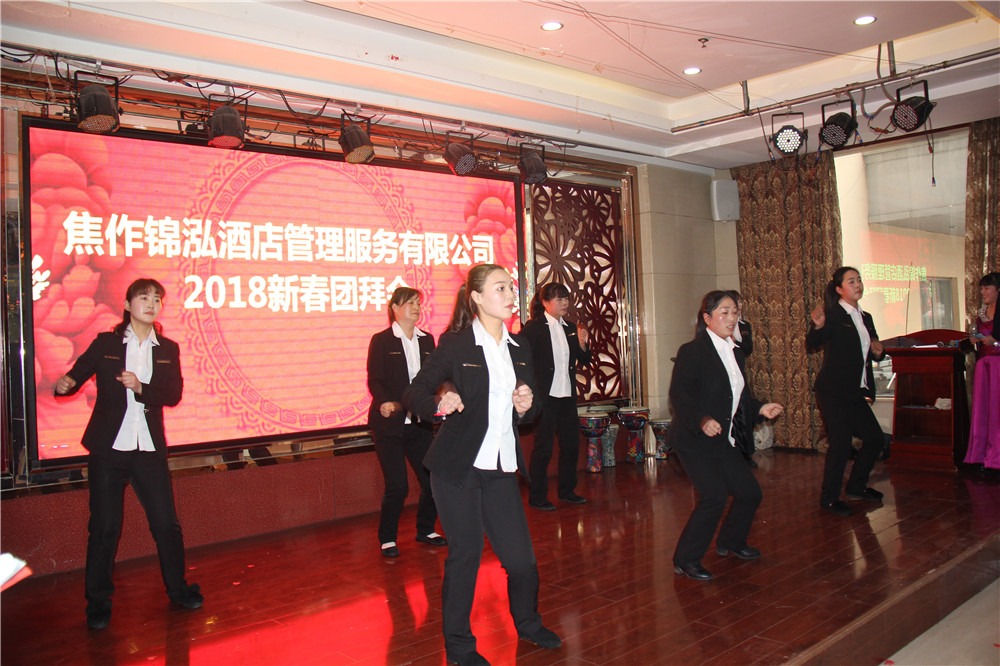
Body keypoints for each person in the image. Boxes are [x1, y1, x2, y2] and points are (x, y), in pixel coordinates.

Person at [402, 264, 560, 666]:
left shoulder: (519, 347)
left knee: (521, 561)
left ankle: (528, 623)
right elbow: (416, 391)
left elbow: (531, 407)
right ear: (475, 297)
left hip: (501, 467)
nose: (509, 295)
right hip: (457, 467)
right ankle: (459, 647)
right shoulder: (456, 344)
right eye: (499, 288)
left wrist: (527, 406)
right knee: (466, 555)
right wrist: (438, 404)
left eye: (511, 287)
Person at [54, 278, 202, 630]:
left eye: (157, 299)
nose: (151, 304)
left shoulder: (168, 348)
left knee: (166, 525)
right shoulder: (106, 343)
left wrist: (141, 387)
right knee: (104, 527)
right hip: (109, 450)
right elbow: (77, 374)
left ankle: (178, 589)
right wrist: (65, 385)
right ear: (126, 305)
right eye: (144, 298)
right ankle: (98, 602)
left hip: (148, 450)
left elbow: (173, 395)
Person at [667, 291, 783, 581]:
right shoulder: (693, 351)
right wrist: (703, 420)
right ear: (707, 318)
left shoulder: (736, 351)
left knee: (749, 493)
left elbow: (738, 397)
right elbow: (680, 395)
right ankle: (686, 559)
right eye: (724, 313)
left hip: (723, 439)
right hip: (693, 439)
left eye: (735, 312)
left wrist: (760, 408)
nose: (732, 318)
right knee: (714, 497)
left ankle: (731, 541)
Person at [366, 287, 446, 559]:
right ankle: (387, 538)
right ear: (395, 308)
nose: (416, 307)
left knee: (433, 478)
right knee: (398, 485)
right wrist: (385, 401)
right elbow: (375, 380)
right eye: (409, 303)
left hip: (419, 422)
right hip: (389, 424)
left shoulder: (427, 340)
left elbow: (434, 378)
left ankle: (426, 529)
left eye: (417, 303)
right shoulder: (382, 340)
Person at [807, 266, 887, 517]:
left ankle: (856, 486)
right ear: (839, 289)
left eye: (859, 280)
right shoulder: (832, 315)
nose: (858, 284)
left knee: (875, 439)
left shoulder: (866, 317)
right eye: (851, 281)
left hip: (855, 391)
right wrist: (817, 327)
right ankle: (829, 499)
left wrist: (878, 351)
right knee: (840, 444)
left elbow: (872, 350)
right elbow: (812, 344)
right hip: (833, 389)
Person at [521, 283, 592, 510]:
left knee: (571, 445)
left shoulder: (570, 327)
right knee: (543, 447)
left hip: (567, 395)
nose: (564, 303)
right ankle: (537, 496)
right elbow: (521, 360)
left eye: (566, 298)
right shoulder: (533, 328)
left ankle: (567, 491)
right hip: (545, 397)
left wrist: (583, 343)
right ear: (545, 303)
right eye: (559, 299)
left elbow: (584, 359)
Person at [729, 290, 757, 466]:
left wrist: (736, 342)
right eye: (735, 302)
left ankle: (746, 453)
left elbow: (748, 349)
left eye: (740, 302)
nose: (739, 306)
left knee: (746, 411)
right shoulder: (724, 325)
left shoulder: (745, 325)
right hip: (728, 374)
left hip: (740, 372)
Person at [970, 271, 999, 359]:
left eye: (986, 288)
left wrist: (995, 342)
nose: (982, 292)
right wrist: (975, 338)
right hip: (984, 361)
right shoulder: (981, 313)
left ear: (998, 289)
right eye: (981, 288)